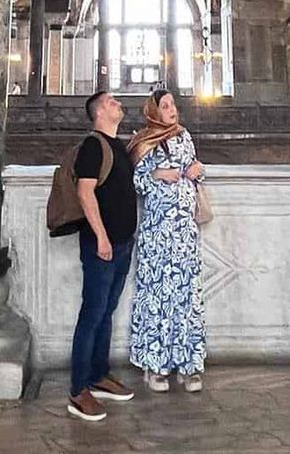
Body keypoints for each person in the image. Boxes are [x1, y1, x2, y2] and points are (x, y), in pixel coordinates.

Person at [128, 89, 206, 393]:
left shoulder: (185, 136)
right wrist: (158, 173)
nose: (172, 109)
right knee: (158, 298)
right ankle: (155, 367)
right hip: (158, 236)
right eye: (165, 105)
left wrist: (198, 171)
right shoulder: (145, 142)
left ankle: (189, 367)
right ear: (153, 112)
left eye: (173, 104)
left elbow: (195, 169)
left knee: (186, 300)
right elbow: (135, 180)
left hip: (185, 235)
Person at [68, 90, 137, 422]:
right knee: (92, 314)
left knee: (106, 311)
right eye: (112, 102)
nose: (118, 104)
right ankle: (78, 390)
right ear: (98, 113)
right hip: (103, 245)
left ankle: (98, 375)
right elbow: (84, 192)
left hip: (122, 243)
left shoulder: (118, 145)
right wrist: (101, 237)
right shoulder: (93, 145)